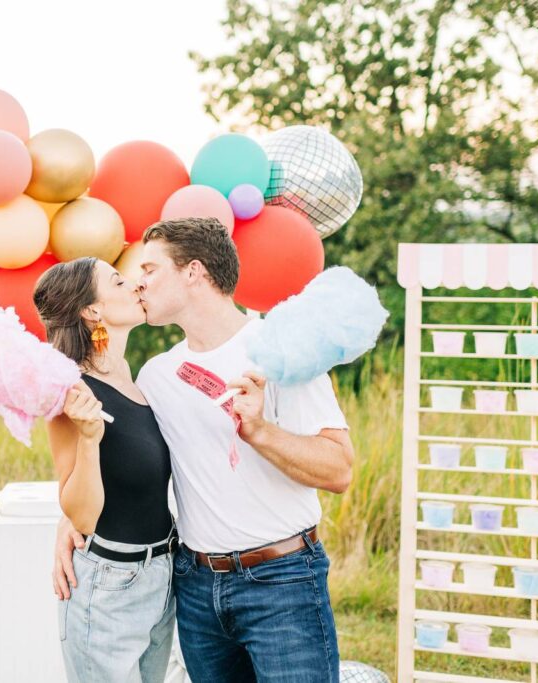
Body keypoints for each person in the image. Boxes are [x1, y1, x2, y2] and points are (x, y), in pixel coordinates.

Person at [53, 217, 354, 683]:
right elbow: (132, 459)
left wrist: (260, 431)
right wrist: (68, 521)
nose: (139, 282)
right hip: (194, 589)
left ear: (193, 272)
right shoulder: (156, 375)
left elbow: (340, 470)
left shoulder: (279, 352)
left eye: (150, 270)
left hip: (281, 583)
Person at [34, 256, 176, 683]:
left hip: (164, 574)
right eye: (118, 281)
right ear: (92, 311)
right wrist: (90, 440)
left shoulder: (137, 379)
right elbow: (81, 515)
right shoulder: (68, 391)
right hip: (109, 585)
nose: (134, 285)